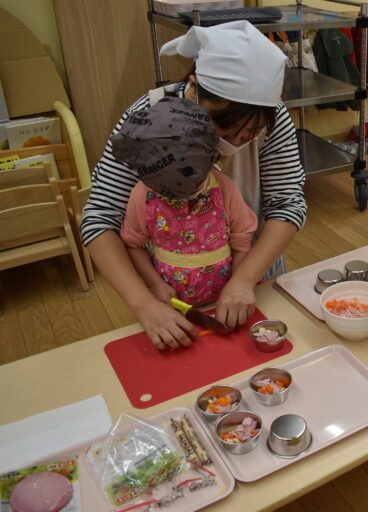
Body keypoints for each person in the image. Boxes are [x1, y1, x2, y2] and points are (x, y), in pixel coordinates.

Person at [81, 21, 306, 350]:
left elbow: (289, 203)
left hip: (252, 272)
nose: (231, 145)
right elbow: (99, 218)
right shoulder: (149, 119)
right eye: (222, 131)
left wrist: (244, 278)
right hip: (169, 289)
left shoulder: (271, 117)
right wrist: (145, 304)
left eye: (248, 136)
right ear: (193, 87)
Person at [113, 97, 258, 307]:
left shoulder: (226, 189)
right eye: (168, 193)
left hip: (225, 300)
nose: (183, 199)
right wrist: (154, 284)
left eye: (195, 186)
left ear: (211, 160)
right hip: (171, 303)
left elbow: (242, 241)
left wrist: (237, 285)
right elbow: (134, 244)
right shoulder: (141, 195)